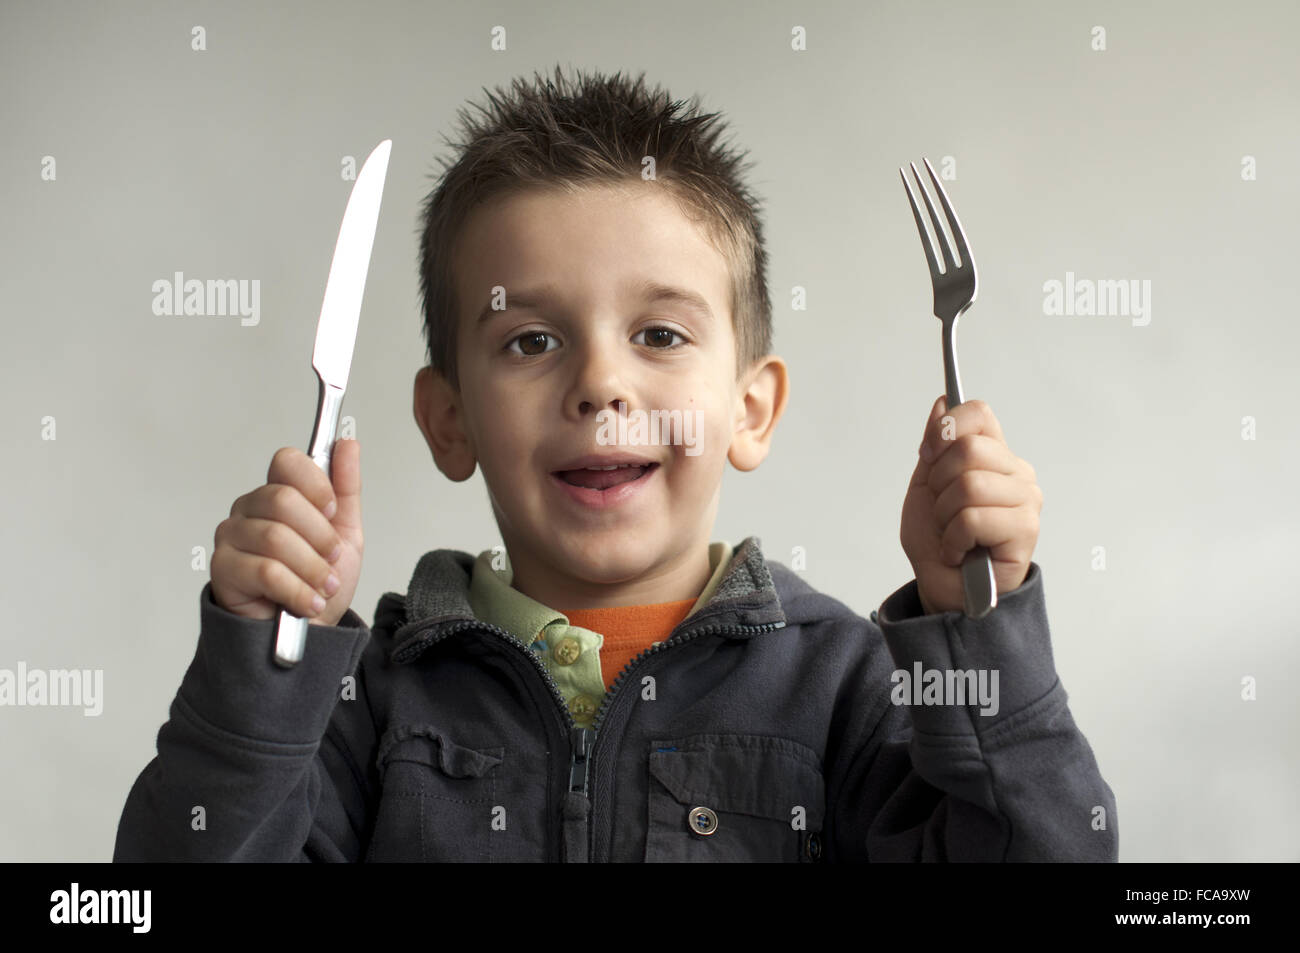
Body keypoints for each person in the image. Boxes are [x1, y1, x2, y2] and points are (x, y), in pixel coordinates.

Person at [113, 66, 1117, 862]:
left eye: (660, 334)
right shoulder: (367, 698)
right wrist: (261, 665)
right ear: (450, 420)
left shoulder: (843, 684)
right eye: (531, 340)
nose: (600, 384)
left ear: (750, 409)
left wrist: (979, 634)